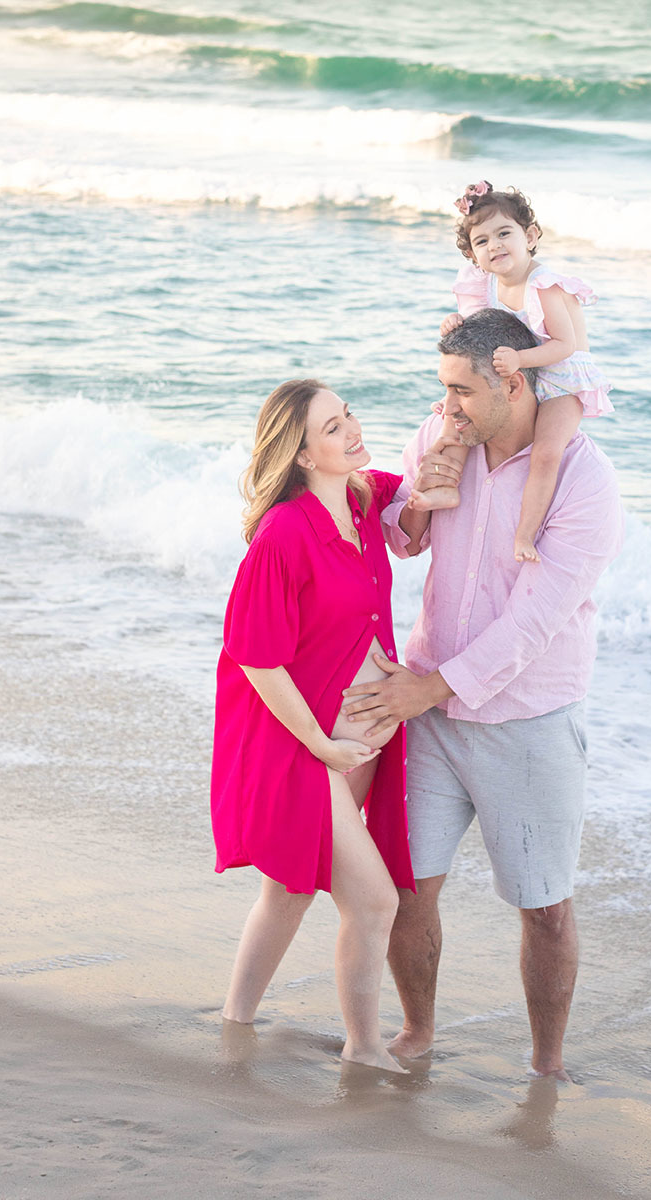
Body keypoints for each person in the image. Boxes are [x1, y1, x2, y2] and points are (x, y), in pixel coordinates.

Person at [342, 309, 624, 1078]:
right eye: (443, 389)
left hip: (528, 719)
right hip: (429, 715)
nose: (447, 406)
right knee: (405, 887)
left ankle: (546, 1066)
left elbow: (537, 618)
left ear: (510, 378)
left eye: (460, 390)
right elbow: (396, 540)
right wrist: (417, 503)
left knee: (545, 906)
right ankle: (417, 1034)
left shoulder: (583, 479)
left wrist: (430, 689)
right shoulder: (443, 437)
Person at [210, 379, 419, 1073]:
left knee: (290, 889)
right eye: (333, 428)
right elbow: (258, 659)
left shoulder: (360, 501)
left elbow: (420, 485)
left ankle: (234, 1020)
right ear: (301, 454)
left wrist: (454, 434)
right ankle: (364, 1048)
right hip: (302, 743)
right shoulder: (282, 536)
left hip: (352, 737)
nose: (352, 430)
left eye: (349, 414)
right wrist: (321, 744)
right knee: (374, 900)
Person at [414, 182, 613, 566]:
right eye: (482, 241)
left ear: (530, 235)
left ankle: (525, 534)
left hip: (560, 379)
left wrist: (520, 359)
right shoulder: (485, 283)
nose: (495, 246)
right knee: (452, 417)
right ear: (473, 254)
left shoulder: (544, 285)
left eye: (504, 233)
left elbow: (564, 345)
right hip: (519, 371)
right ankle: (445, 487)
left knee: (546, 452)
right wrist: (456, 323)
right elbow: (481, 330)